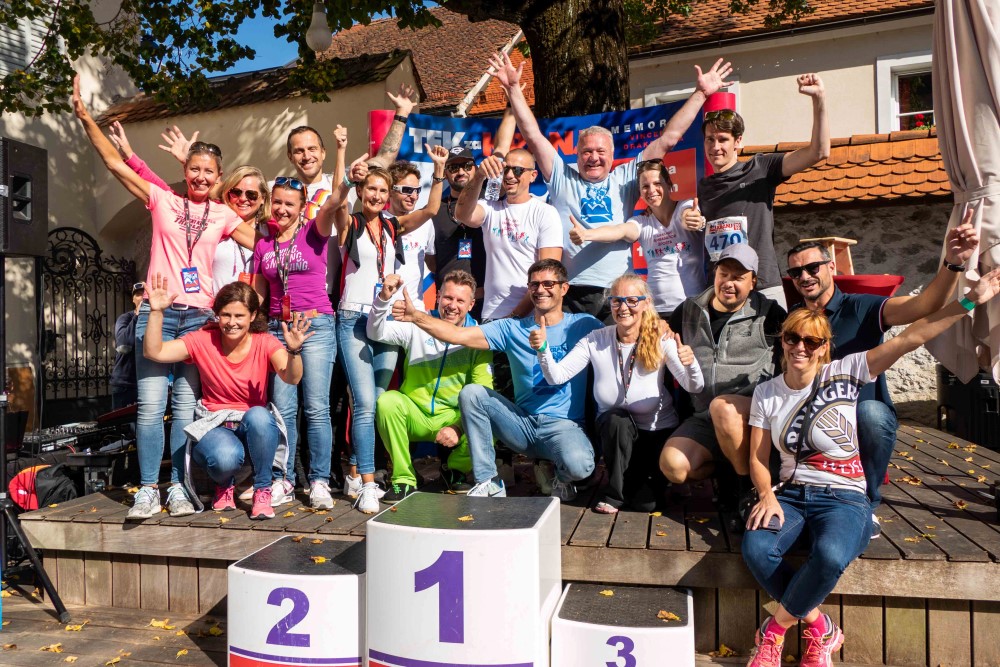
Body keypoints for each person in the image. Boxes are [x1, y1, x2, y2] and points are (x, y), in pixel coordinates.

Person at [741, 267, 1000, 667]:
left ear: (824, 347)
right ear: (783, 341)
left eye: (812, 341)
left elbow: (913, 336)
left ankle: (773, 632)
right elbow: (758, 458)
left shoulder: (845, 372)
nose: (800, 347)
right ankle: (821, 627)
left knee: (829, 556)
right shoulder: (766, 392)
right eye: (793, 337)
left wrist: (968, 300)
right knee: (756, 549)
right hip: (790, 495)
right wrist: (766, 495)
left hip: (844, 497)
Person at [72, 76, 257, 520]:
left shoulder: (224, 214)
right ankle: (148, 489)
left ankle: (178, 487)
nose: (200, 176)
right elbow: (114, 164)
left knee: (185, 408)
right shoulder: (163, 200)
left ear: (217, 178)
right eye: (194, 169)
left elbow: (268, 246)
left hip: (199, 321)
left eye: (209, 172)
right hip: (157, 315)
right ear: (185, 171)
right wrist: (84, 117)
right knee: (152, 407)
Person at [488, 51, 733, 321]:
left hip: (616, 293)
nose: (593, 157)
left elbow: (669, 139)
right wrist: (514, 90)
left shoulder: (626, 177)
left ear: (612, 155)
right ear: (576, 155)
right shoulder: (561, 176)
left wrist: (701, 94)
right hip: (569, 290)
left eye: (600, 151)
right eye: (586, 152)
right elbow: (533, 136)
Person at [785, 213, 978, 536]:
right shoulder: (793, 318)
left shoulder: (863, 307)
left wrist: (954, 264)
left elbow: (926, 305)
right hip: (811, 419)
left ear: (831, 267)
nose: (804, 276)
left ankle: (866, 501)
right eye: (795, 272)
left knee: (872, 415)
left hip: (859, 415)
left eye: (812, 267)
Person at [392, 259, 603, 501]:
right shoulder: (511, 328)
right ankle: (488, 481)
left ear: (564, 288)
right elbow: (456, 334)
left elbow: (619, 338)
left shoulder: (585, 325)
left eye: (548, 284)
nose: (540, 289)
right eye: (534, 284)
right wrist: (416, 316)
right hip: (521, 425)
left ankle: (561, 477)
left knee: (580, 466)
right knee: (472, 393)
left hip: (563, 426)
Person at [317, 144, 448, 513]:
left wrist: (438, 170)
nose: (376, 195)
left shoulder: (393, 225)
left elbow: (431, 209)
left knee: (374, 403)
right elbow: (336, 201)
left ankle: (359, 468)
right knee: (363, 403)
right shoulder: (351, 222)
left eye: (382, 190)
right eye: (370, 189)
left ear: (388, 194)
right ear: (362, 192)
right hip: (352, 321)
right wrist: (343, 160)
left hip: (386, 319)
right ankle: (369, 484)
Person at [142, 276, 310, 520]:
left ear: (252, 316)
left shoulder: (265, 342)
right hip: (215, 427)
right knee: (225, 457)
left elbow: (292, 377)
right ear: (217, 315)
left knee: (260, 415)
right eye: (225, 315)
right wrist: (156, 312)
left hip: (253, 432)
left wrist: (294, 351)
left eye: (239, 316)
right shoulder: (202, 340)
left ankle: (263, 490)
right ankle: (224, 485)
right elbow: (154, 352)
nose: (231, 322)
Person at [534, 273, 703, 513]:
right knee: (616, 419)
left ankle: (643, 484)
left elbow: (694, 386)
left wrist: (691, 364)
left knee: (646, 504)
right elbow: (557, 376)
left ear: (646, 303)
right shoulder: (596, 339)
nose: (623, 307)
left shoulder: (661, 338)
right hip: (617, 432)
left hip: (655, 432)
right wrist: (543, 350)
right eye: (617, 301)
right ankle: (615, 494)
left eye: (632, 300)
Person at [690, 74, 829, 309]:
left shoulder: (760, 168)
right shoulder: (703, 187)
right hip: (721, 289)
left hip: (762, 286)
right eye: (709, 140)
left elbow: (819, 152)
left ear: (738, 141)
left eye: (723, 139)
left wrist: (819, 99)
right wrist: (689, 220)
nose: (715, 147)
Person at [253, 158, 342, 509]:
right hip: (279, 328)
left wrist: (343, 159)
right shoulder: (264, 244)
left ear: (302, 207)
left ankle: (319, 480)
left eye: (290, 203)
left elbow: (335, 201)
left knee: (317, 408)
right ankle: (284, 479)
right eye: (277, 202)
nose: (282, 209)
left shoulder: (314, 232)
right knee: (283, 409)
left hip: (315, 326)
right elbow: (259, 293)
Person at [661, 244, 784, 493]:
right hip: (704, 416)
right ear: (714, 274)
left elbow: (792, 357)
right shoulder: (688, 311)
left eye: (738, 277)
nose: (728, 283)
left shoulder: (769, 313)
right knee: (673, 466)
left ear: (753, 282)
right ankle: (728, 470)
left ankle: (745, 490)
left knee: (723, 407)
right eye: (723, 274)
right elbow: (664, 342)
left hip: (751, 416)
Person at [367, 270, 494, 502]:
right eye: (448, 297)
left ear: (471, 305)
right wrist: (383, 299)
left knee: (491, 414)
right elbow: (376, 332)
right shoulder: (418, 322)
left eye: (460, 300)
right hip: (415, 414)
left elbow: (484, 393)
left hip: (452, 417)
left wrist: (458, 427)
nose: (452, 306)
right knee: (386, 401)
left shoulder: (478, 337)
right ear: (438, 297)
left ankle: (455, 470)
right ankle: (404, 479)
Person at [107, 123, 271, 292]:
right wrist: (131, 157)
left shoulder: (270, 229)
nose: (243, 199)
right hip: (215, 304)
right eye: (236, 192)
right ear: (227, 192)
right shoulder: (214, 215)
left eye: (251, 195)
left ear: (262, 198)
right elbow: (163, 191)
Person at [566, 160, 704, 318]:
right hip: (654, 312)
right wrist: (586, 234)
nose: (651, 190)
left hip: (692, 308)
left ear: (669, 184)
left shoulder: (685, 206)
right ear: (640, 192)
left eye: (657, 183)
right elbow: (618, 230)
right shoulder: (641, 222)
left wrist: (692, 219)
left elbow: (688, 215)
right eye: (645, 186)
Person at [454, 148, 563, 320]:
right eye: (506, 169)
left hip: (530, 316)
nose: (510, 175)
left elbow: (549, 274)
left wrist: (515, 316)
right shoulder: (490, 208)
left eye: (518, 170)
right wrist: (479, 176)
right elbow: (461, 214)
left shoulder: (545, 213)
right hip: (492, 315)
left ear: (533, 176)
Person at [387, 161, 441, 309]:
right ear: (390, 190)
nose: (414, 196)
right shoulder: (378, 220)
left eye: (417, 190)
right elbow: (431, 210)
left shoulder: (426, 223)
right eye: (407, 190)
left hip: (415, 308)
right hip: (384, 308)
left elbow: (432, 263)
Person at [110, 282, 146, 410]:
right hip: (126, 384)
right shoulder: (126, 318)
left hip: (148, 383)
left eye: (144, 294)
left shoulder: (158, 319)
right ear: (133, 299)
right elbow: (124, 345)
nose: (142, 298)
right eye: (138, 295)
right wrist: (138, 316)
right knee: (124, 422)